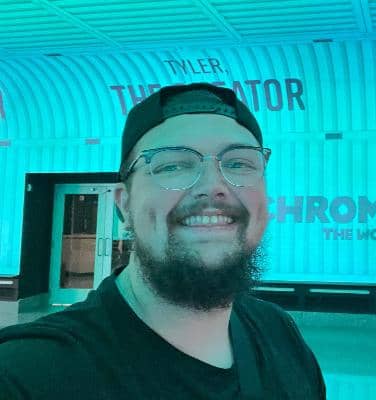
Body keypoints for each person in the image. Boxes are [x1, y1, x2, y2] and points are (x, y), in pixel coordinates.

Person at [0, 82, 326, 399]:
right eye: (173, 165)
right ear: (124, 206)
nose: (213, 186)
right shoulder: (26, 375)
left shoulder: (279, 334)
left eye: (239, 163)